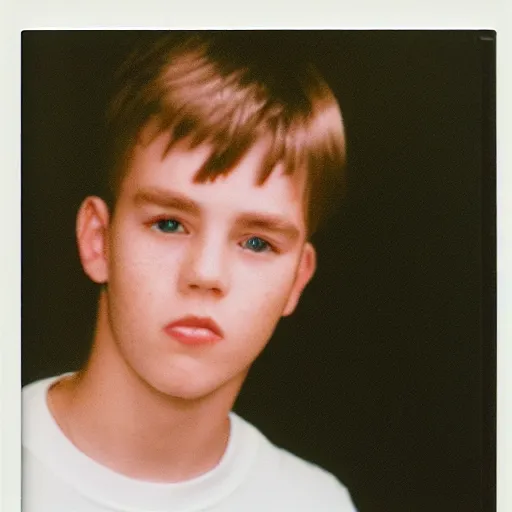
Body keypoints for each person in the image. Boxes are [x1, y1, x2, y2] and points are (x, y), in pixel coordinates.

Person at [22, 32, 357, 511]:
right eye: (169, 224)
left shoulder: (315, 503)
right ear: (99, 240)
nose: (205, 273)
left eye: (257, 242)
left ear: (297, 281)